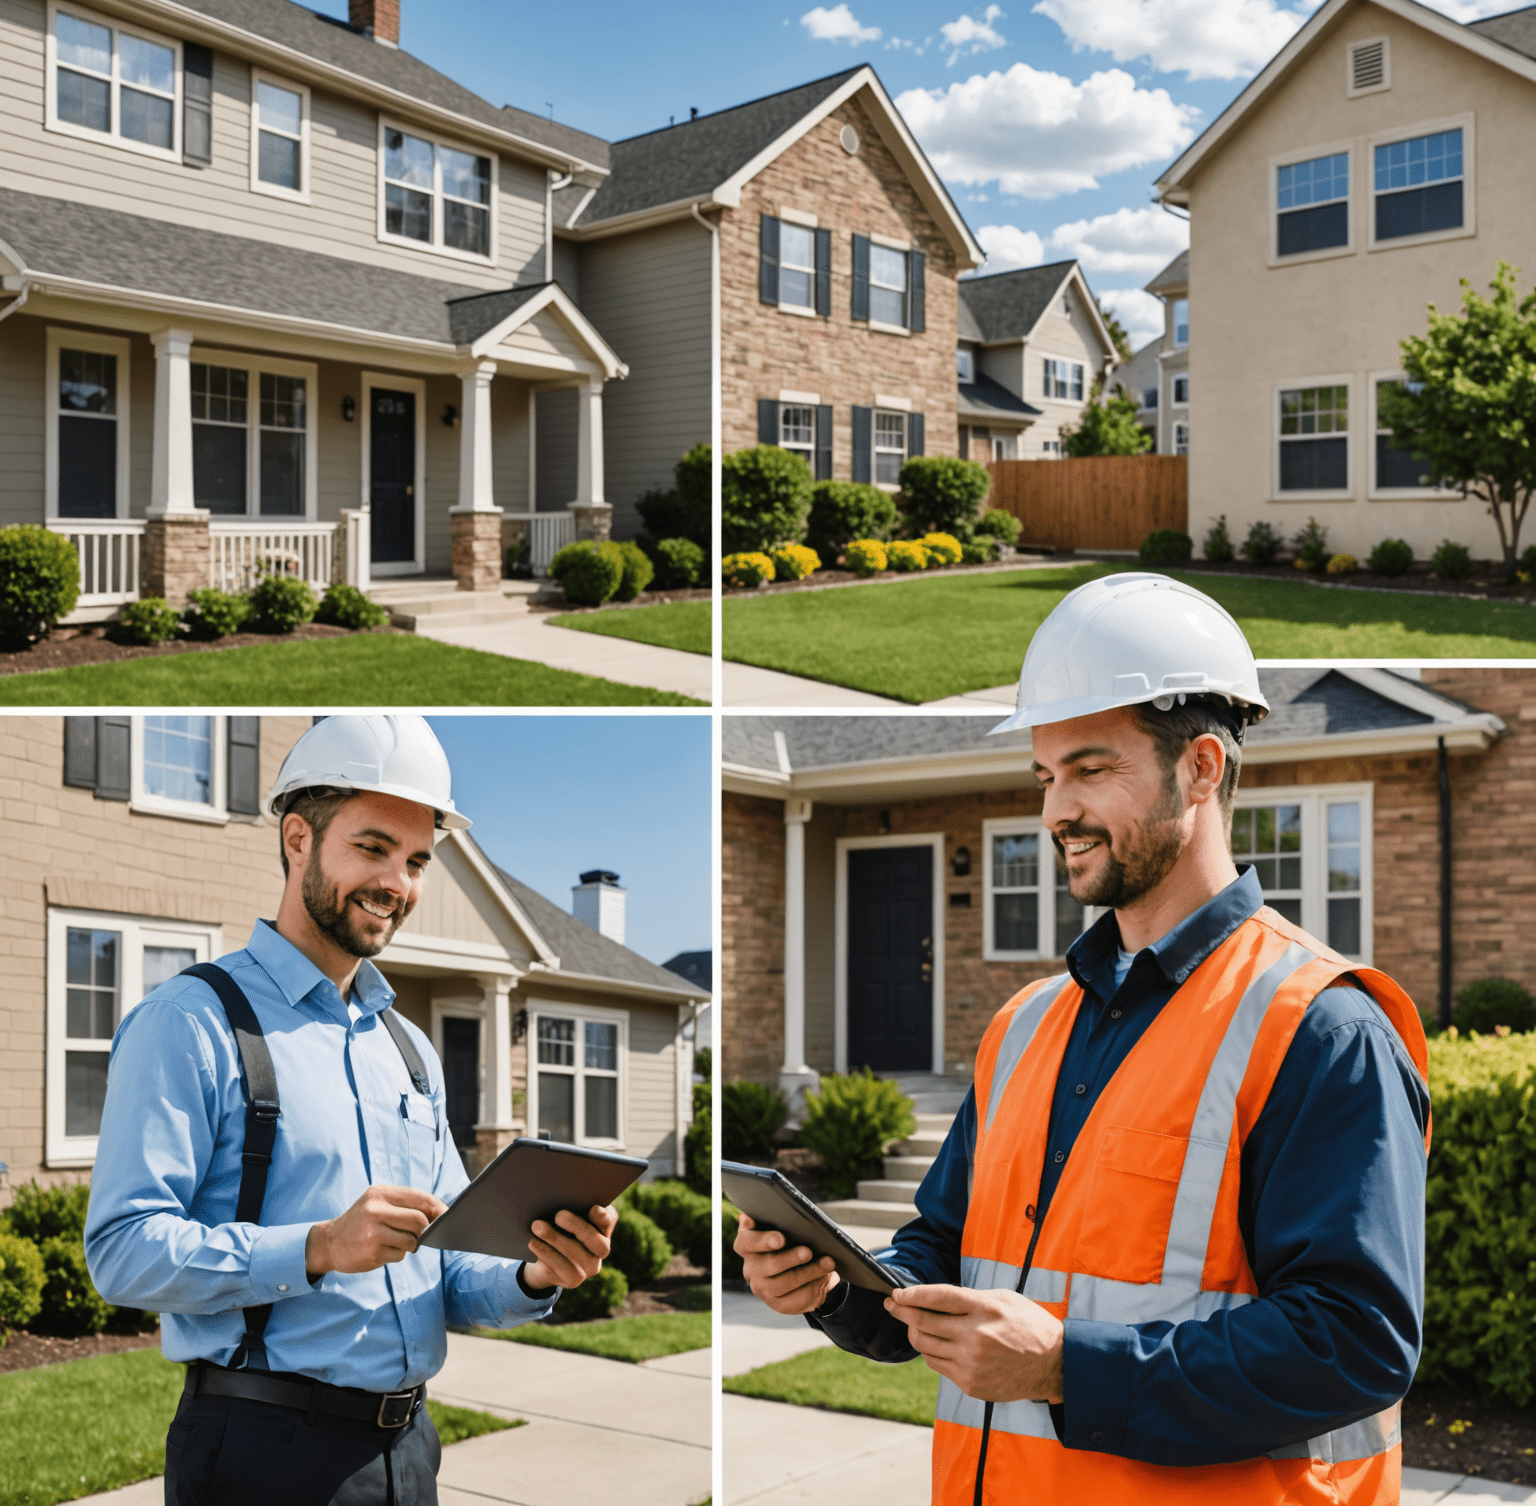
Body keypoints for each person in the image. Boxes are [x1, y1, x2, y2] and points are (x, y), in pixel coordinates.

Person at [737, 573, 1431, 1504]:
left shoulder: (1320, 1026)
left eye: (1092, 768)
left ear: (1201, 769)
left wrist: (1067, 1364)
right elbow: (938, 1253)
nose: (1056, 809)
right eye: (1046, 774)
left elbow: (1354, 1343)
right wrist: (832, 1285)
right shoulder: (1026, 1025)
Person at [85, 716, 617, 1506]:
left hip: (409, 1451)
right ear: (299, 839)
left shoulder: (408, 1049)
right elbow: (122, 1252)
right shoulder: (192, 1022)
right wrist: (321, 1246)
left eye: (414, 862)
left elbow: (450, 1270)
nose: (397, 885)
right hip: (260, 1452)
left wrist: (538, 1271)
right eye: (372, 849)